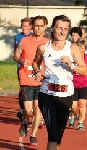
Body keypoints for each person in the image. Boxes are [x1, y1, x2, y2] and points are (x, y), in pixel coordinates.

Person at [32, 15, 87, 150]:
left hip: (65, 96)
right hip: (46, 95)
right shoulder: (43, 48)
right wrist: (37, 72)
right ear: (52, 28)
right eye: (59, 28)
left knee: (59, 132)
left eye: (65, 29)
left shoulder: (72, 48)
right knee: (52, 132)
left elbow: (85, 71)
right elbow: (35, 63)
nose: (62, 32)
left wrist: (71, 65)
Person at [13, 15, 50, 146]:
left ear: (45, 27)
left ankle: (33, 135)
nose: (38, 28)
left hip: (41, 81)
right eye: (36, 26)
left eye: (41, 26)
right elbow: (15, 55)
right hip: (26, 80)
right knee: (28, 110)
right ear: (32, 26)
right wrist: (21, 60)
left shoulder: (48, 43)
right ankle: (24, 121)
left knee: (37, 109)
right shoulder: (24, 40)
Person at [69, 37, 87, 130]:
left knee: (82, 104)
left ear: (85, 49)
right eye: (78, 47)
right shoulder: (71, 57)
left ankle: (81, 122)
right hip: (73, 84)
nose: (80, 50)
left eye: (82, 48)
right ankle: (73, 115)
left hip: (84, 84)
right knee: (73, 107)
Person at [13, 17, 32, 121]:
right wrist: (19, 60)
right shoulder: (17, 37)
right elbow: (15, 52)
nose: (23, 28)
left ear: (30, 27)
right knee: (23, 88)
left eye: (25, 26)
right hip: (21, 67)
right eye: (22, 26)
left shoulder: (34, 37)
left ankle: (36, 111)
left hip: (33, 67)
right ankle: (22, 109)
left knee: (35, 88)